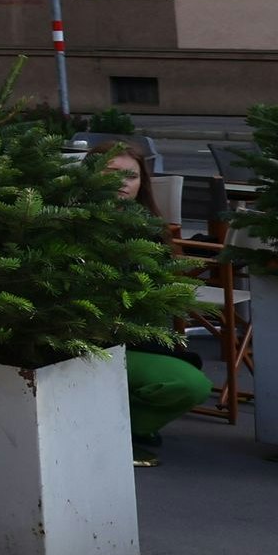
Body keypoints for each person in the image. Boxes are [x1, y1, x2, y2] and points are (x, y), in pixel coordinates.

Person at [88, 137, 214, 463]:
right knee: (181, 380)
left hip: (136, 341)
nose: (122, 184)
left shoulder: (149, 229)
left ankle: (129, 427)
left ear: (142, 183)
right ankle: (102, 433)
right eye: (111, 173)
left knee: (190, 384)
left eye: (131, 176)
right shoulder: (71, 223)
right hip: (84, 340)